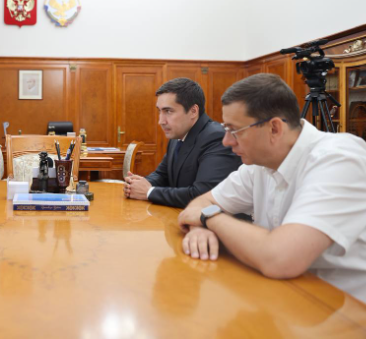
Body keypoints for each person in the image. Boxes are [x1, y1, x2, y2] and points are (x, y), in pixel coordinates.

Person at [178, 73, 366, 302]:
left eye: (234, 130)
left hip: (344, 310)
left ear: (274, 128)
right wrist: (200, 229)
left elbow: (280, 259)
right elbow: (200, 203)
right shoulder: (260, 163)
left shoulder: (339, 159)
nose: (226, 141)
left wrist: (209, 218)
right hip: (286, 297)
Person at [124, 78, 241, 208]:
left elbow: (203, 195)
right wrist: (138, 184)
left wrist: (149, 192)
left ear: (193, 111)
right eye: (160, 111)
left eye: (168, 111)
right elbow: (162, 175)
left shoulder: (216, 138)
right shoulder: (177, 135)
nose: (161, 121)